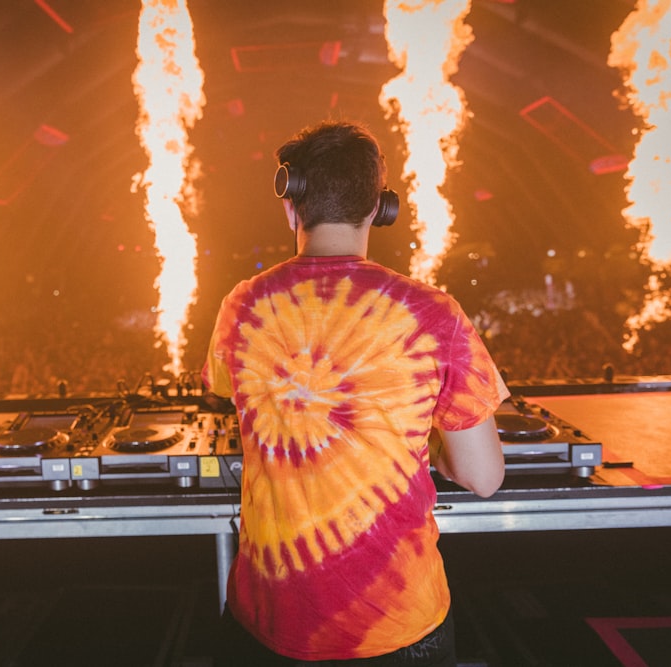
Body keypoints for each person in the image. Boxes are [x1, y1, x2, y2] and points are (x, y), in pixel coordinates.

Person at [202, 120, 509, 666]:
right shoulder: (436, 315)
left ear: (291, 202)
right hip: (396, 623)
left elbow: (237, 398)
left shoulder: (242, 306)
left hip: (270, 620)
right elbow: (482, 478)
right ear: (379, 209)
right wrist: (424, 442)